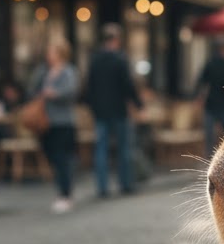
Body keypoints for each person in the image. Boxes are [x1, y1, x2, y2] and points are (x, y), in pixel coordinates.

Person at [84, 23, 143, 197]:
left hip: (101, 112)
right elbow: (128, 86)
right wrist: (138, 105)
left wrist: (93, 108)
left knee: (101, 149)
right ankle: (125, 184)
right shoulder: (120, 59)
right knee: (123, 148)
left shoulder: (95, 60)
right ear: (116, 40)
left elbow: (89, 87)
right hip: (118, 111)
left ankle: (102, 187)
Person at [31, 36, 79, 213]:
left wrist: (55, 93)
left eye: (52, 52)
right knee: (51, 156)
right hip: (46, 122)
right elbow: (32, 88)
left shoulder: (68, 71)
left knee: (63, 158)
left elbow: (72, 92)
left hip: (64, 122)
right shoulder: (44, 71)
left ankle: (65, 193)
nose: (49, 55)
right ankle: (61, 191)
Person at [195, 40, 224, 155]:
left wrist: (198, 97)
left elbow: (201, 82)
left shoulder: (210, 64)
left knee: (211, 135)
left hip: (212, 104)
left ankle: (210, 156)